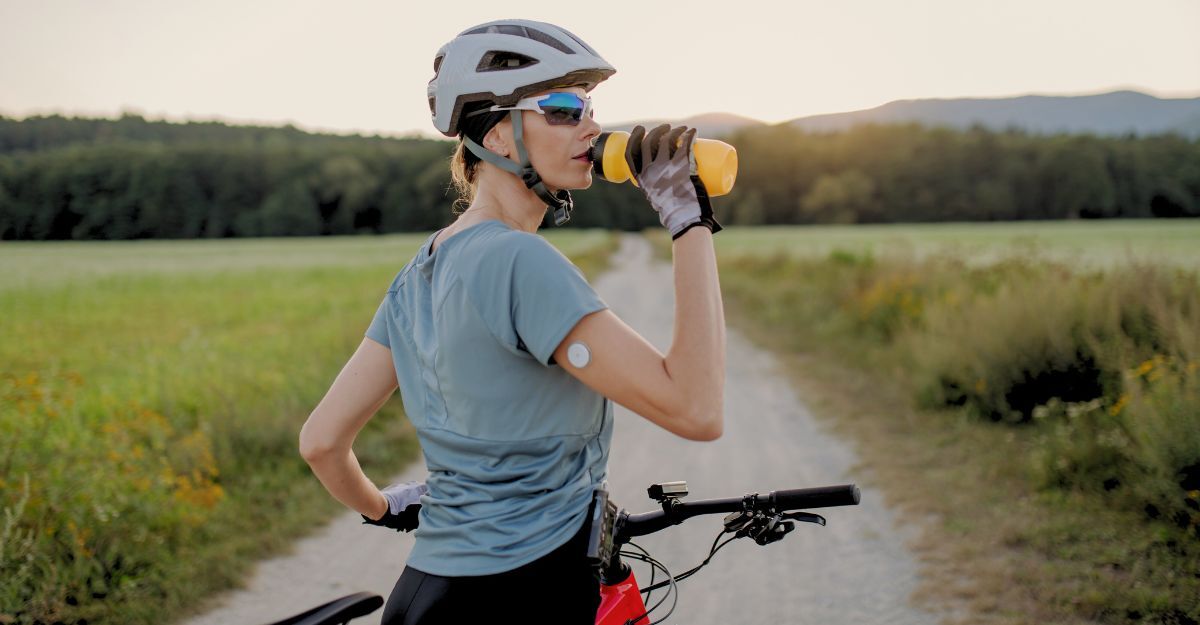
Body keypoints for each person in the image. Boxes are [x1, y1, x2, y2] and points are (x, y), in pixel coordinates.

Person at [298, 19, 726, 624]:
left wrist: (387, 508)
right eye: (562, 108)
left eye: (588, 107)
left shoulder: (420, 270)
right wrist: (689, 223)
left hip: (428, 593)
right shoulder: (521, 261)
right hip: (523, 595)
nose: (591, 126)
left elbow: (320, 443)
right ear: (498, 137)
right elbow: (696, 409)